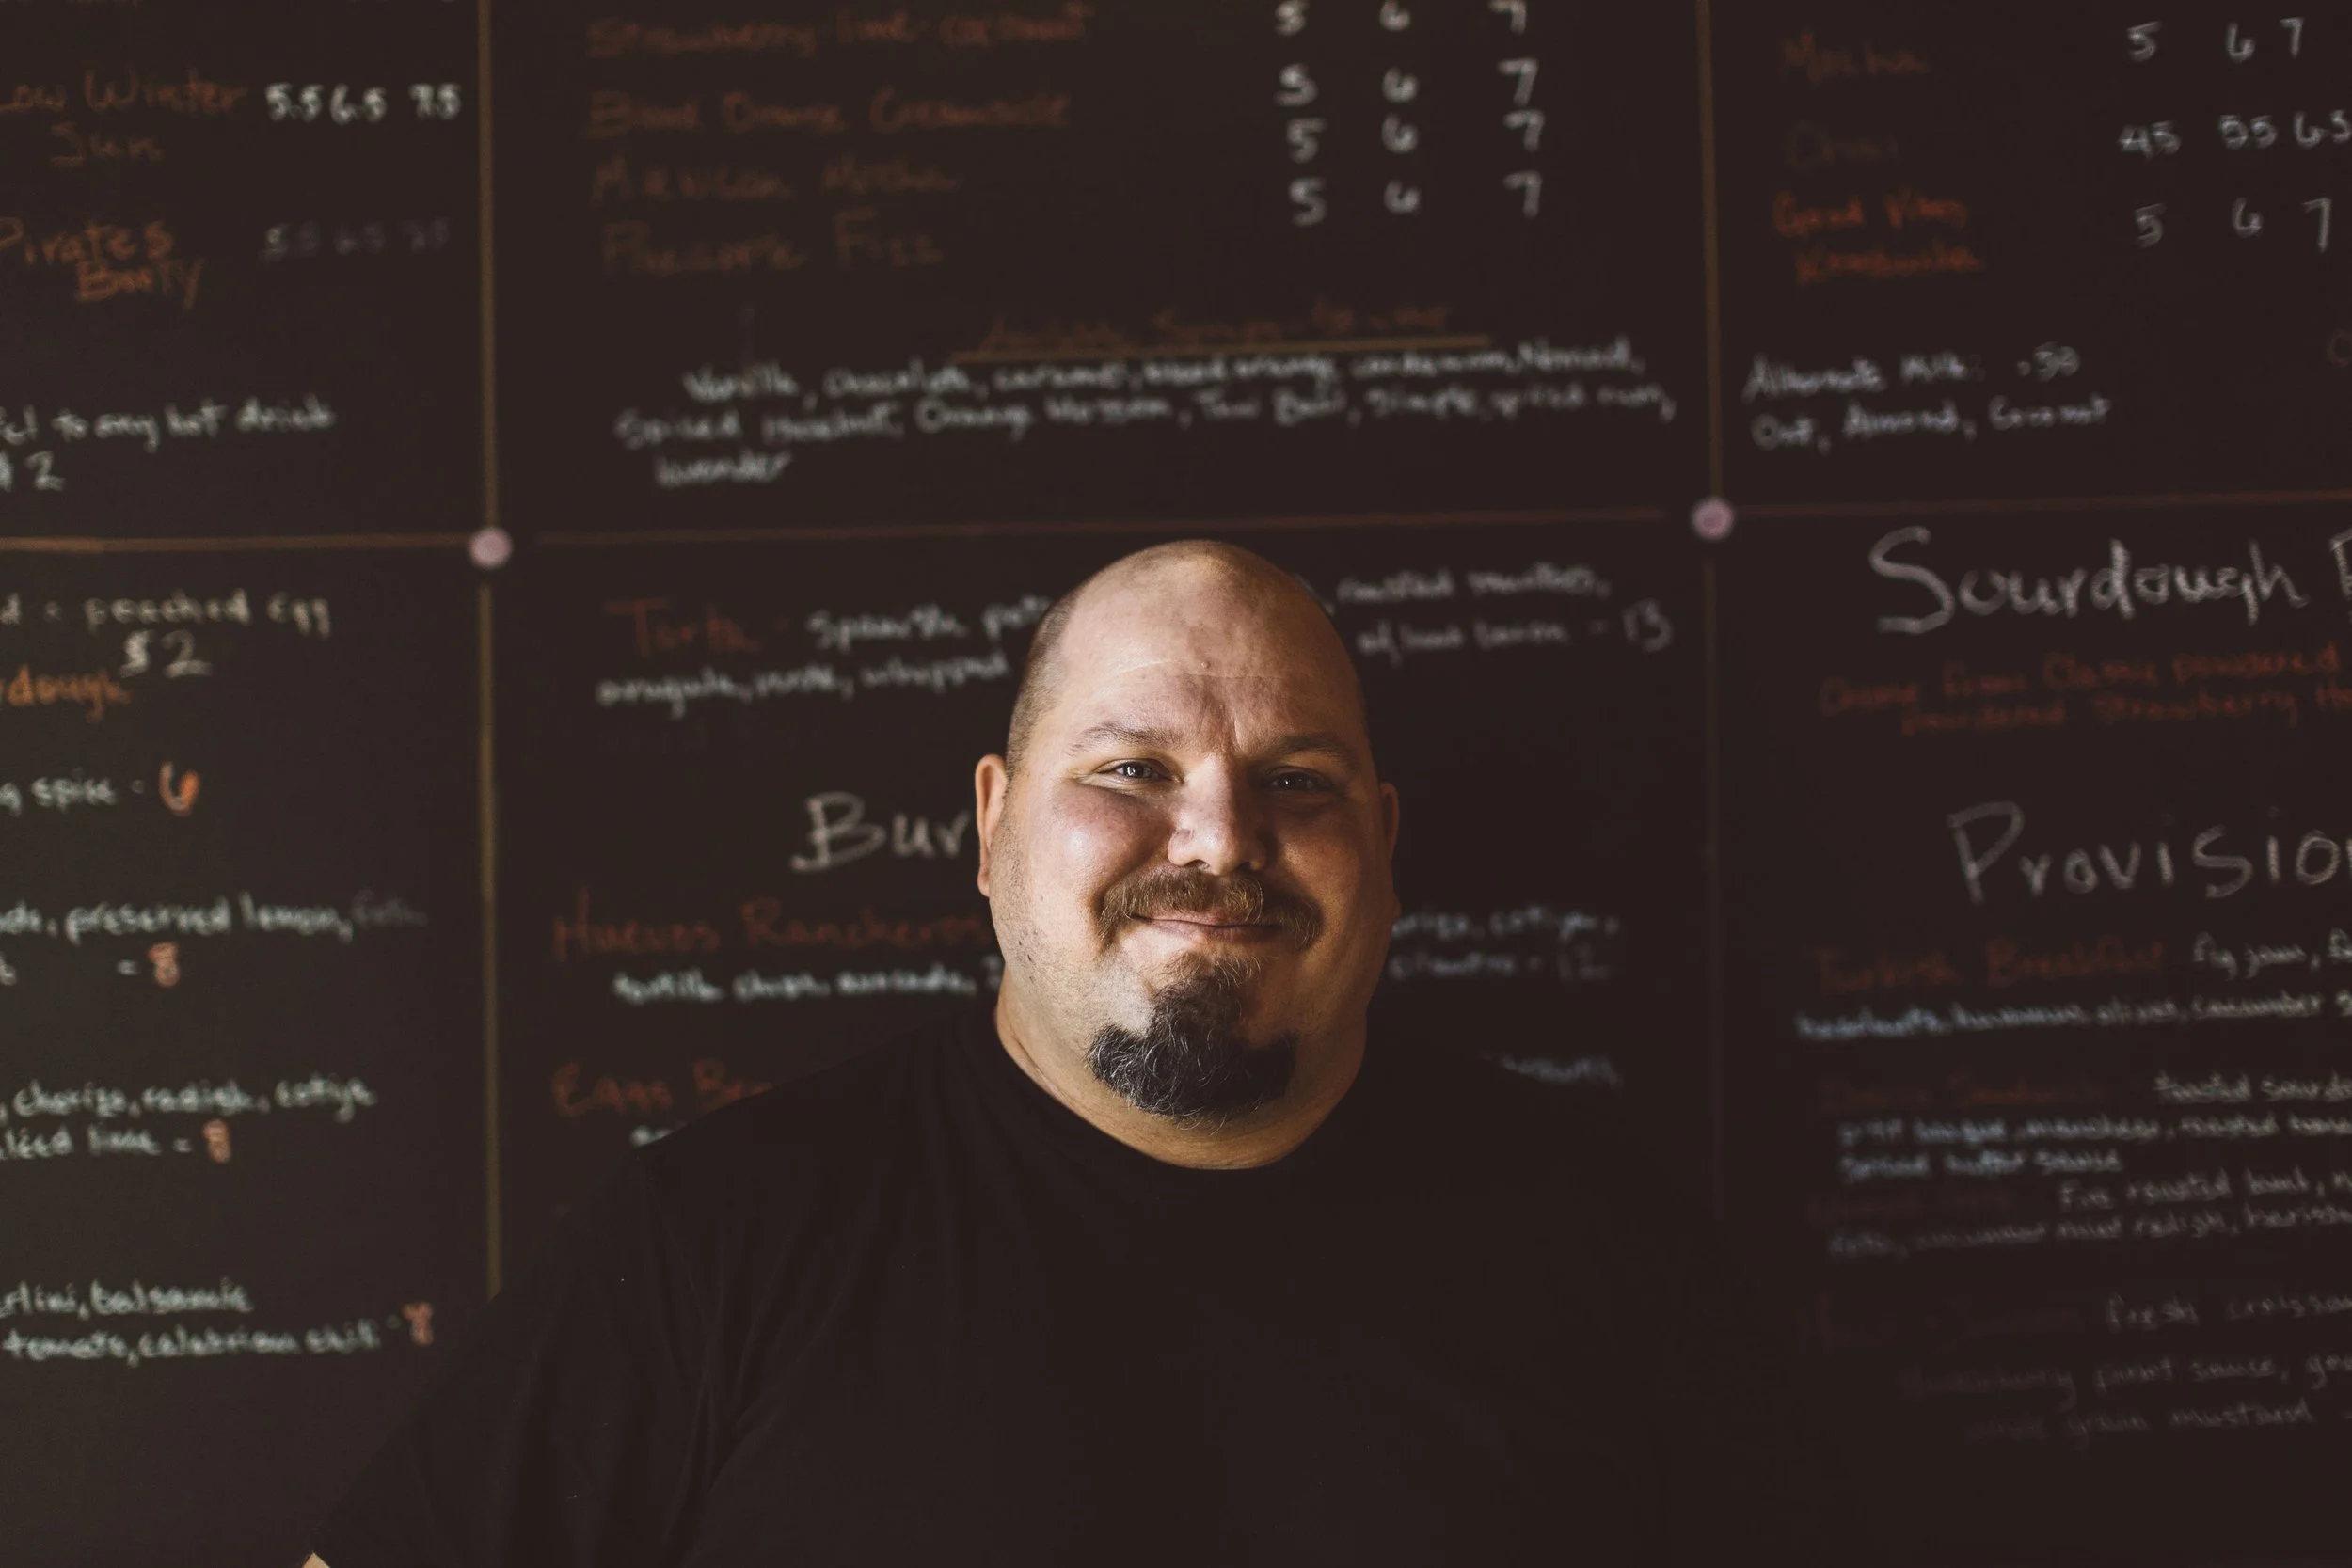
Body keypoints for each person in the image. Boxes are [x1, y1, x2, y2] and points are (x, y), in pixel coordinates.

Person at [306, 540, 1828, 1567]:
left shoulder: (1614, 1255)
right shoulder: (712, 1247)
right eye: (1134, 769)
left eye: (1295, 778)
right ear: (991, 825)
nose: (1221, 836)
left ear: (1384, 841)